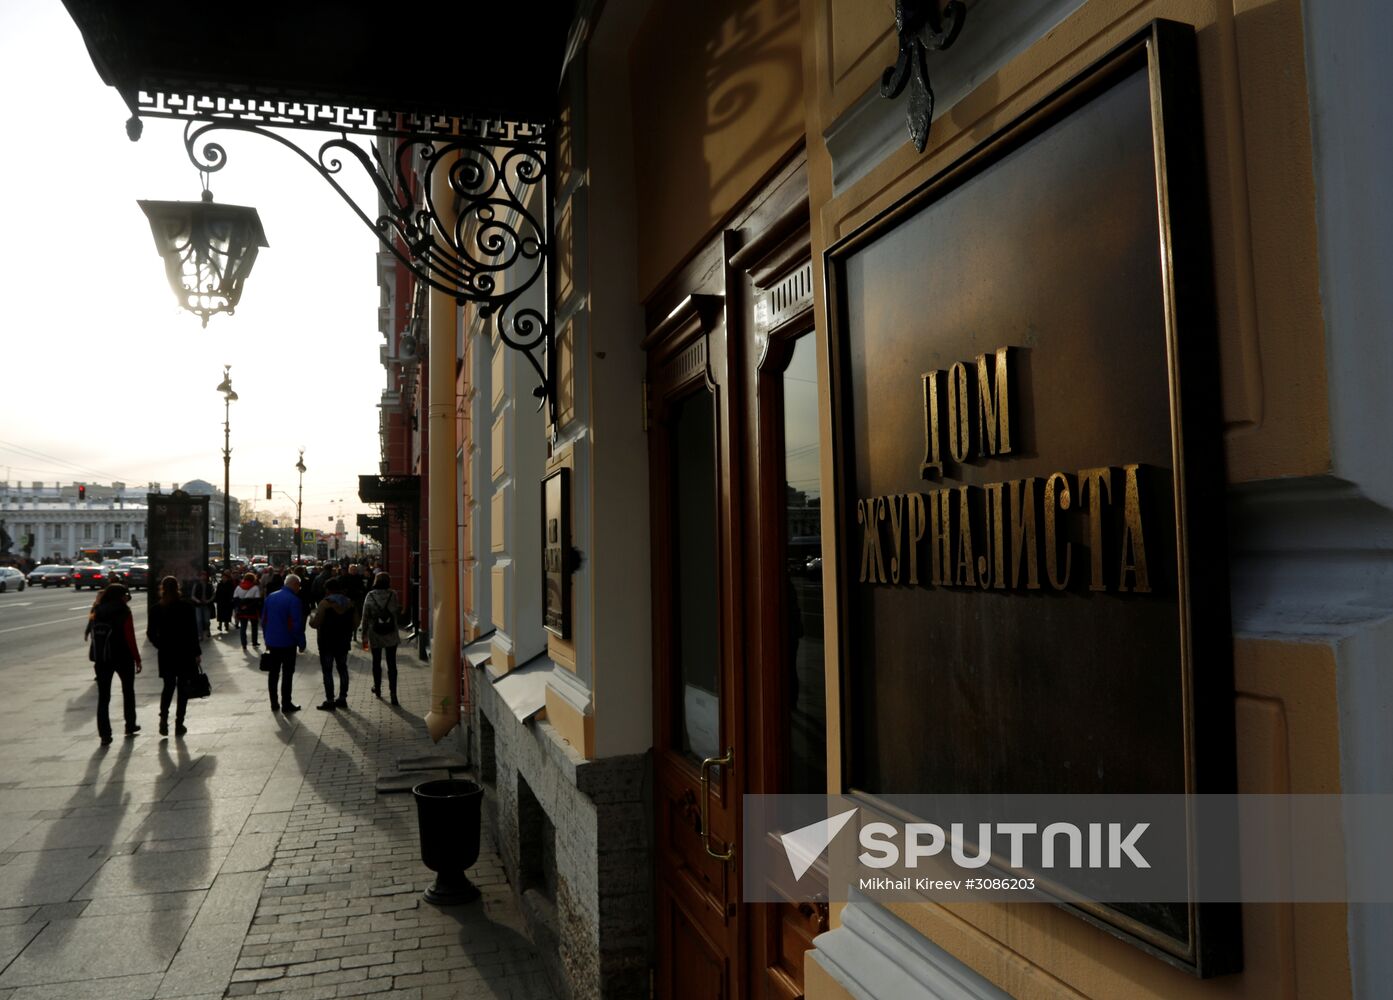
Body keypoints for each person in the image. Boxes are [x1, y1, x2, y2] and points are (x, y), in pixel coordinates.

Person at [85, 582, 142, 744]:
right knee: (128, 691)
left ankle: (105, 734)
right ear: (120, 596)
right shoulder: (124, 611)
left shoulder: (97, 610)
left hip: (102, 658)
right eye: (125, 595)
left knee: (103, 697)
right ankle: (130, 725)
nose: (126, 598)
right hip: (123, 656)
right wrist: (137, 658)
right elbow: (130, 636)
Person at [147, 576, 202, 737]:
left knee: (168, 687)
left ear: (162, 588)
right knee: (183, 688)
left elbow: (150, 633)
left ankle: (163, 719)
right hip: (185, 652)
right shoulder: (186, 607)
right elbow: (193, 632)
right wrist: (197, 652)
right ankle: (179, 723)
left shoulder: (156, 608)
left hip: (166, 653)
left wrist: (160, 645)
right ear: (177, 587)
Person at [309, 576, 359, 711]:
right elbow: (356, 623)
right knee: (342, 668)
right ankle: (342, 698)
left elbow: (316, 623)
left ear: (327, 590)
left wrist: (311, 619)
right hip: (343, 641)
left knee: (327, 671)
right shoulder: (349, 603)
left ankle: (330, 700)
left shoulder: (324, 604)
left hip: (326, 642)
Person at [261, 572, 307, 712]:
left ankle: (274, 703)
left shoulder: (271, 597)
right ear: (294, 585)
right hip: (288, 642)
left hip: (272, 642)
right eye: (299, 586)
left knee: (273, 673)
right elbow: (296, 625)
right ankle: (286, 703)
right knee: (287, 673)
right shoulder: (294, 600)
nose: (299, 588)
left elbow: (264, 620)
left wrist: (267, 638)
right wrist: (301, 642)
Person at [362, 571, 402, 705]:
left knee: (376, 662)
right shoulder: (393, 594)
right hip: (391, 632)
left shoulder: (370, 595)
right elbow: (396, 610)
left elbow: (365, 616)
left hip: (375, 633)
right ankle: (393, 693)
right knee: (392, 663)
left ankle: (378, 688)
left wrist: (364, 636)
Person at [234, 572, 262, 649]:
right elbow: (257, 600)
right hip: (252, 610)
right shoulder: (255, 588)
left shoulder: (238, 587)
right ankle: (254, 642)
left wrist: (241, 606)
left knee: (243, 627)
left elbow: (235, 598)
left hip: (242, 610)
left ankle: (244, 644)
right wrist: (248, 606)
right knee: (254, 627)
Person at [188, 569, 214, 637]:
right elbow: (192, 596)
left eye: (204, 575)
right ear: (199, 577)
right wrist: (197, 600)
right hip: (198, 605)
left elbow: (213, 595)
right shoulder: (196, 585)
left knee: (207, 620)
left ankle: (207, 630)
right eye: (202, 575)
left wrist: (209, 600)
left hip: (207, 605)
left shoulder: (209, 585)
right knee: (199, 620)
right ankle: (200, 635)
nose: (203, 577)